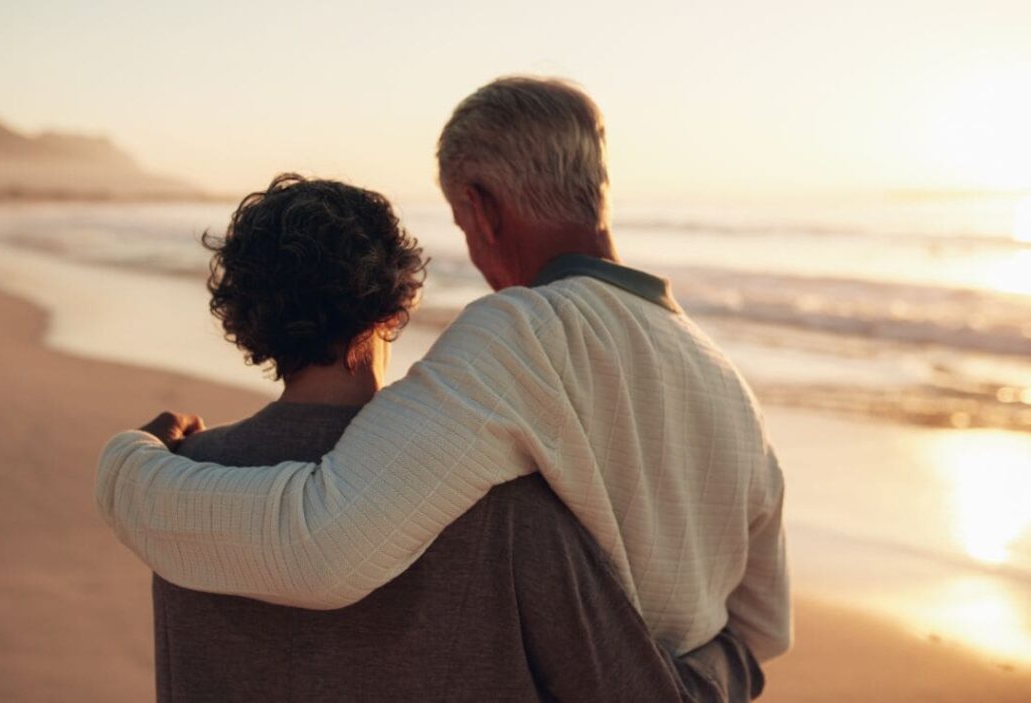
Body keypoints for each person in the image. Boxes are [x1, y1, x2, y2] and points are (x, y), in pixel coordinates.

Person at [97, 76, 791, 666]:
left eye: (462, 223)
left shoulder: (522, 333)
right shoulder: (728, 382)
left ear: (484, 209)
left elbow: (320, 544)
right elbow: (761, 628)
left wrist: (127, 468)